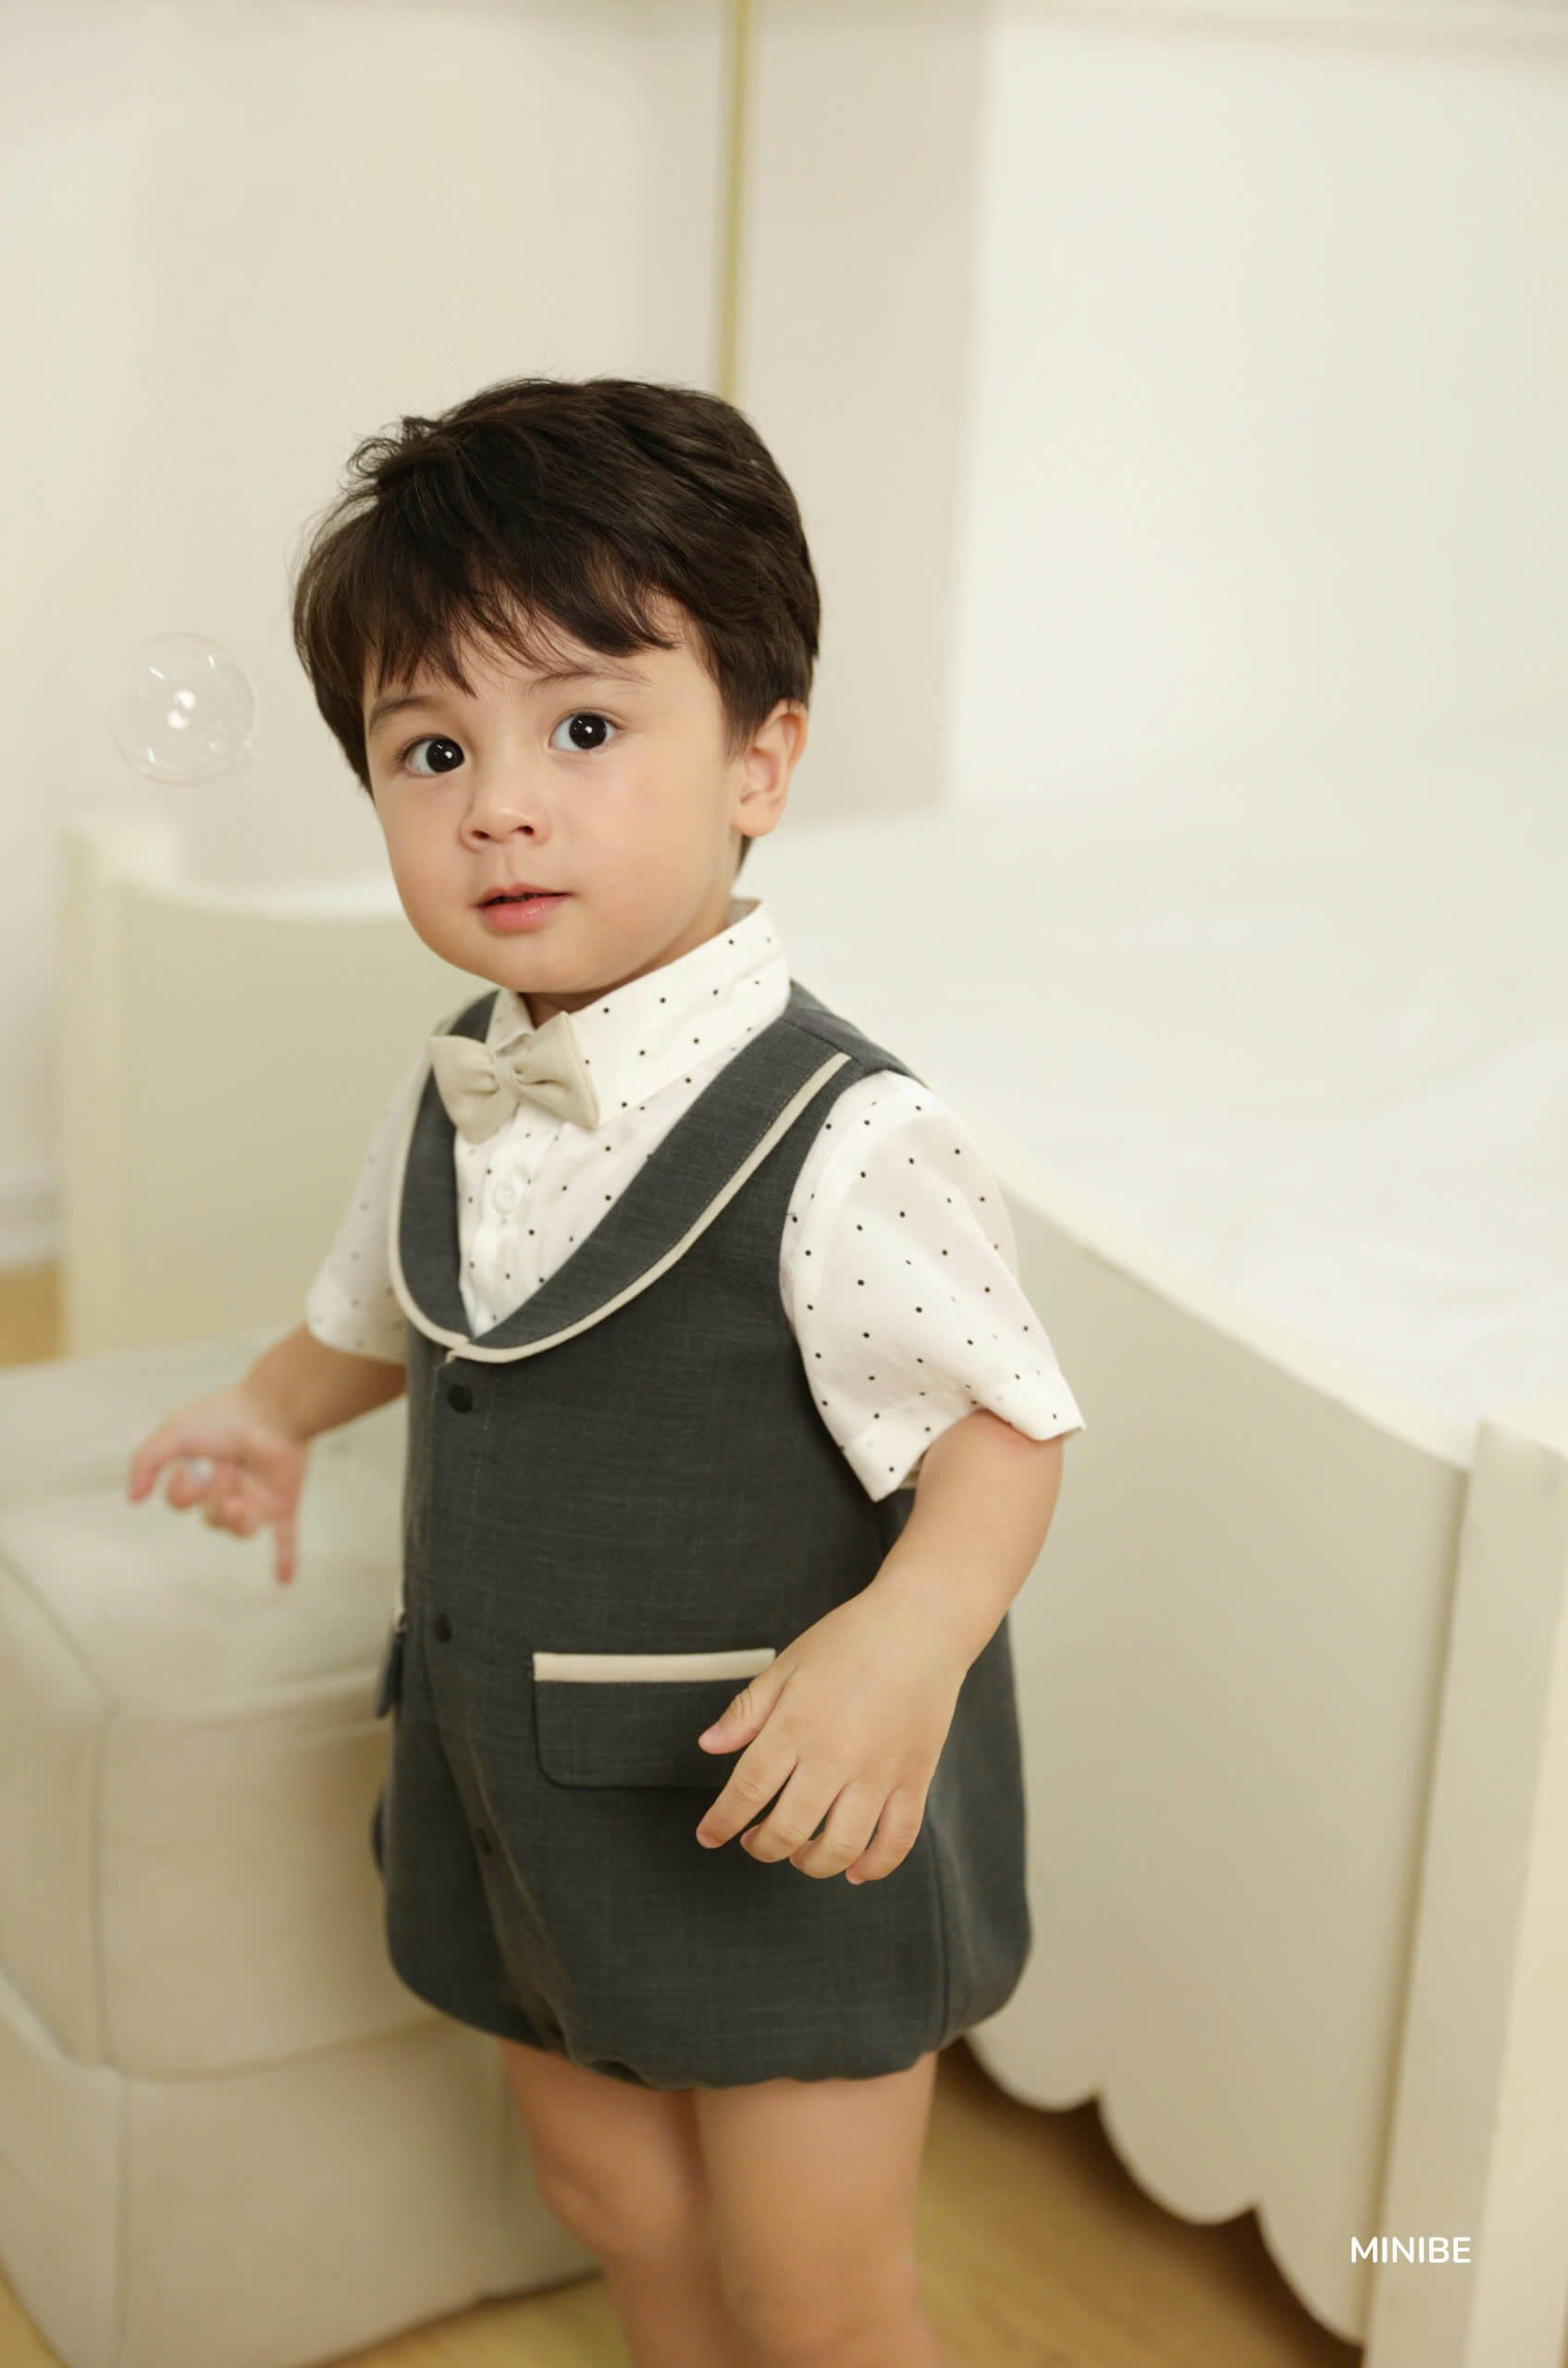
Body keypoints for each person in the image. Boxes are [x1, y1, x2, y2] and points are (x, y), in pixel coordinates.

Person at [127, 375, 1085, 2368]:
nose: (497, 801)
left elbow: (1001, 1429)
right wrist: (267, 1409)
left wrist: (907, 1639)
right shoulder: (460, 1083)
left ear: (759, 761)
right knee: (616, 2201)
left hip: (775, 1827)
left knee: (818, 2293)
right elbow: (391, 1307)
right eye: (429, 747)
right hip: (518, 1799)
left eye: (581, 727)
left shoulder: (843, 1139)